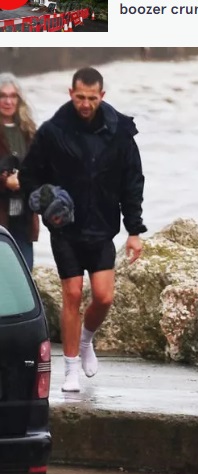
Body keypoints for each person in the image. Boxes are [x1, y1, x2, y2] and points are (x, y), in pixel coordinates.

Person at [19, 66, 147, 393]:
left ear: (102, 96)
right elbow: (30, 175)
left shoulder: (119, 132)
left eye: (92, 98)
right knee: (73, 293)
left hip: (103, 227)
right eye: (80, 97)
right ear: (70, 93)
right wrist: (45, 200)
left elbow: (133, 182)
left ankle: (87, 339)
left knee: (104, 297)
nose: (85, 104)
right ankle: (70, 370)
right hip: (65, 228)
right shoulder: (53, 131)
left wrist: (134, 230)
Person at [0, 73, 39, 271]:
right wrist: (5, 181)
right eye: (2, 96)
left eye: (13, 96)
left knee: (25, 273)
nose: (8, 101)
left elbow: (43, 167)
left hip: (24, 215)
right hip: (1, 214)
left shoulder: (29, 131)